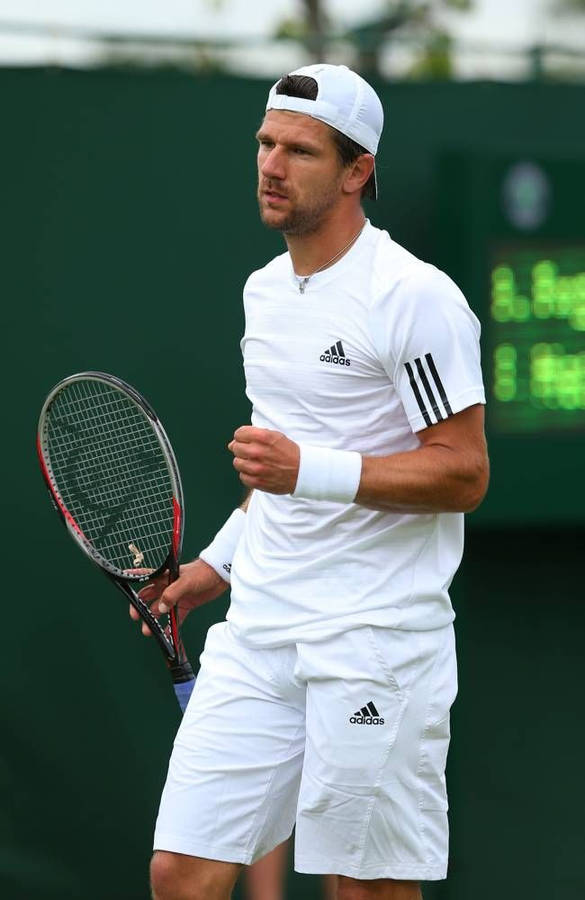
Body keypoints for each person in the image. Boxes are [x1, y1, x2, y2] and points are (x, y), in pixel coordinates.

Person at [131, 63, 489, 900]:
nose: (271, 165)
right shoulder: (264, 293)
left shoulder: (411, 297)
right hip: (259, 634)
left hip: (373, 642)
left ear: (357, 170)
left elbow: (463, 472)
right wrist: (215, 567)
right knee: (181, 875)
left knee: (362, 889)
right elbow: (275, 473)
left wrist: (309, 471)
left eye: (299, 151)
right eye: (265, 143)